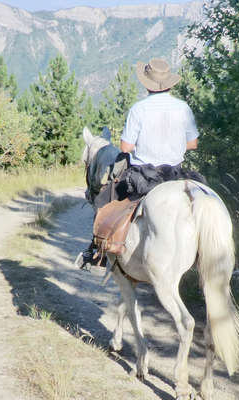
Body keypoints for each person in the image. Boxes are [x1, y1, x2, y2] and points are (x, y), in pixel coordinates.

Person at [79, 58, 200, 267]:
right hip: (175, 173)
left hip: (144, 175)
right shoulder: (183, 108)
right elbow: (193, 144)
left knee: (105, 199)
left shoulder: (139, 108)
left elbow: (125, 147)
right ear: (169, 83)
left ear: (147, 84)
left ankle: (100, 251)